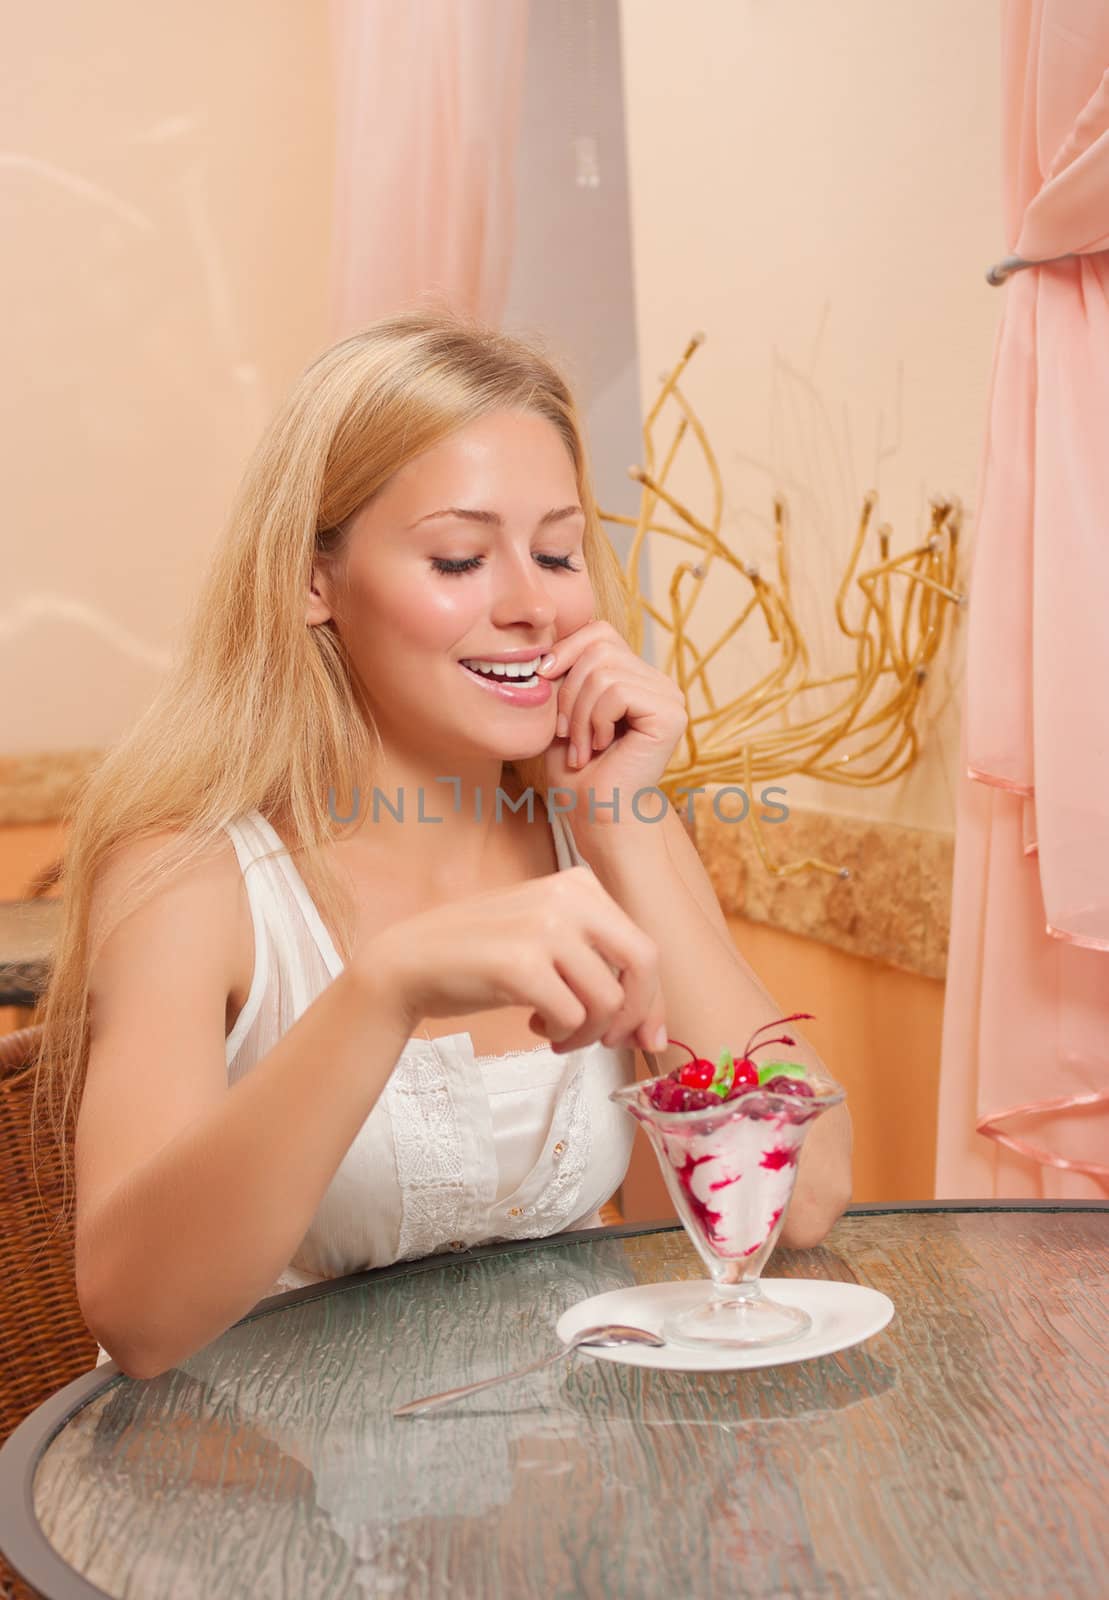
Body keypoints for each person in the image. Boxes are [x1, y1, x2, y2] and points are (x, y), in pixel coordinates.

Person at [32, 310, 852, 1380]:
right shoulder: (188, 875)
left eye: (557, 551)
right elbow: (138, 1319)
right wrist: (384, 987)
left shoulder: (598, 832)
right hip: (254, 1500)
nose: (532, 605)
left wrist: (622, 830)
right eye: (460, 557)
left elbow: (801, 1203)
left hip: (549, 1495)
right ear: (310, 582)